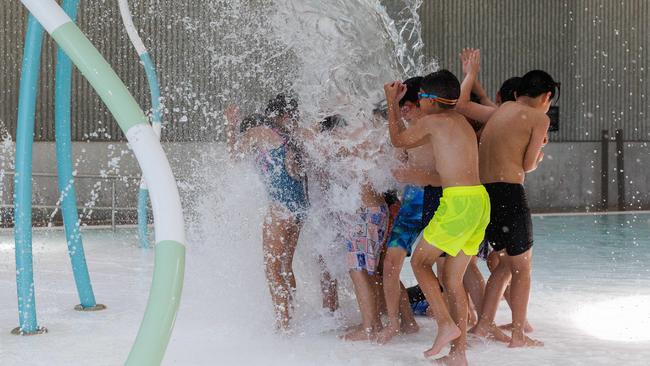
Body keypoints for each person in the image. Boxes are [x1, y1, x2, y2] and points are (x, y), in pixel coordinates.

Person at [385, 70, 490, 365]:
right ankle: (459, 355)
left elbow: (398, 140)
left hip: (457, 202)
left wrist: (392, 102)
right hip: (479, 201)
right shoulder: (460, 121)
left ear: (429, 101)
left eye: (420, 98)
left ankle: (445, 324)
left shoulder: (432, 121)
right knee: (452, 280)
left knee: (420, 262)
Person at [470, 70, 557, 348]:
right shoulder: (540, 118)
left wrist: (470, 76)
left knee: (506, 263)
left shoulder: (504, 108)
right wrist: (540, 153)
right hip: (509, 193)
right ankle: (519, 335)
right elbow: (528, 165)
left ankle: (483, 324)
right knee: (522, 268)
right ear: (547, 97)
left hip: (486, 195)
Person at [225, 93, 308, 331]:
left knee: (272, 269)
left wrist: (231, 126)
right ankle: (291, 315)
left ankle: (283, 325)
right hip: (299, 209)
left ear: (275, 115)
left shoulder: (260, 131)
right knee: (286, 266)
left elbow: (234, 156)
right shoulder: (292, 138)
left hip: (280, 209)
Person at [377, 76, 443, 344]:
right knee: (391, 262)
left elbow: (447, 176)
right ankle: (394, 322)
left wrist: (418, 174)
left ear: (422, 104)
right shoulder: (409, 131)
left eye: (407, 106)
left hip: (439, 199)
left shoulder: (438, 129)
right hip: (413, 200)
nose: (403, 111)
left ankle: (456, 315)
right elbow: (399, 149)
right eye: (400, 107)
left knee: (446, 266)